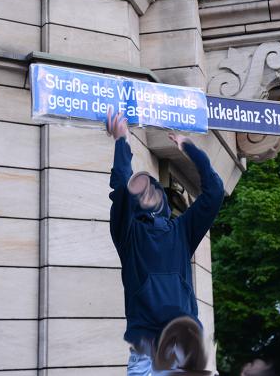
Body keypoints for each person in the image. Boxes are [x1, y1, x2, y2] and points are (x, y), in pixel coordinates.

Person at [106, 109, 225, 375]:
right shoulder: (129, 235)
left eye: (151, 185)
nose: (144, 189)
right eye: (139, 188)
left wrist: (190, 149)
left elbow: (215, 191)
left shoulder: (181, 231)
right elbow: (121, 188)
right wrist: (121, 140)